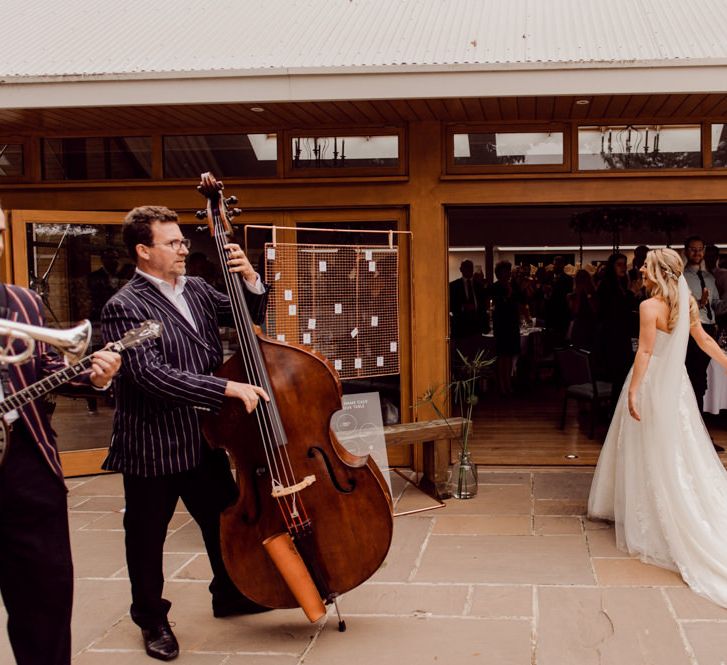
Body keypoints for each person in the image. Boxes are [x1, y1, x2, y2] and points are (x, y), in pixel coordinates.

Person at [100, 206, 270, 661]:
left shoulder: (195, 288)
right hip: (152, 441)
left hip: (203, 436)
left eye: (182, 240)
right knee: (146, 536)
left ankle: (229, 593)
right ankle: (151, 618)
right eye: (172, 242)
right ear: (143, 250)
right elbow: (151, 375)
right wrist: (226, 386)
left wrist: (251, 279)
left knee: (223, 519)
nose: (183, 249)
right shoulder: (124, 306)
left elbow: (247, 316)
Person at [0, 207, 122, 665]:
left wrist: (93, 376)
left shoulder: (20, 302)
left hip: (24, 466)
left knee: (44, 600)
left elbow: (46, 367)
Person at [588, 247, 727, 608]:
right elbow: (705, 341)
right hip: (677, 387)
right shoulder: (687, 304)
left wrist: (633, 390)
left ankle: (650, 511)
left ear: (659, 273)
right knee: (677, 448)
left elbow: (646, 353)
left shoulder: (650, 307)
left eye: (646, 268)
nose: (641, 272)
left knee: (645, 448)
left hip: (652, 384)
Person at [682, 236, 726, 425]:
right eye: (693, 249)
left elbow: (716, 306)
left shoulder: (709, 278)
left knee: (701, 379)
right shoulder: (681, 278)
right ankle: (693, 428)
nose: (697, 253)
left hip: (708, 328)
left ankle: (699, 429)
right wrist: (699, 303)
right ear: (686, 251)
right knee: (694, 378)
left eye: (700, 249)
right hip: (690, 330)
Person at [596, 253, 636, 413]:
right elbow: (616, 312)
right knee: (619, 377)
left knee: (622, 377)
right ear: (611, 267)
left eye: (624, 264)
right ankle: (615, 415)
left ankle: (619, 413)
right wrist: (632, 293)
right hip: (612, 338)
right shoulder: (607, 286)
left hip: (619, 336)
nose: (623, 267)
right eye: (619, 264)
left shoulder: (620, 284)